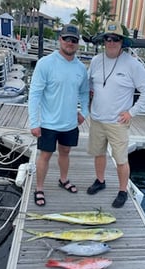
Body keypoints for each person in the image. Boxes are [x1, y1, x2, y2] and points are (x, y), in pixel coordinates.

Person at [87, 21, 145, 208]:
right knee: (98, 154)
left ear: (122, 41)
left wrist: (132, 112)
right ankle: (100, 181)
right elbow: (90, 87)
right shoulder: (95, 61)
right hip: (97, 119)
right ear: (103, 41)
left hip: (118, 121)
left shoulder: (132, 64)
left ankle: (122, 190)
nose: (111, 42)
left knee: (121, 159)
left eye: (115, 39)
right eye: (108, 38)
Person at [28, 24, 89, 206]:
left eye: (74, 40)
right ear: (59, 40)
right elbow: (35, 94)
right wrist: (34, 122)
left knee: (65, 152)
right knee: (44, 155)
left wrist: (84, 112)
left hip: (70, 123)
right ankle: (39, 188)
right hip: (48, 123)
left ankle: (63, 179)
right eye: (66, 39)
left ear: (78, 44)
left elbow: (85, 93)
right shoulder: (45, 63)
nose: (70, 43)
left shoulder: (81, 68)